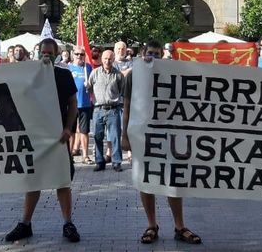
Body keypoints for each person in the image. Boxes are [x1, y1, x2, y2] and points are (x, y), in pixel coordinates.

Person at [121, 40, 202, 245]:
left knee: (173, 180)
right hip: (142, 136)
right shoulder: (133, 76)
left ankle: (179, 226)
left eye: (157, 53)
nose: (153, 57)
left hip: (169, 136)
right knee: (145, 180)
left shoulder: (171, 74)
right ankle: (151, 225)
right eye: (150, 53)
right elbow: (127, 107)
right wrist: (124, 135)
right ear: (143, 54)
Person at [5, 38, 80, 243]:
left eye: (50, 53)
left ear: (56, 55)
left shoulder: (63, 75)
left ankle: (68, 223)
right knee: (33, 180)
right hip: (34, 138)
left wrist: (68, 129)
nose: (46, 56)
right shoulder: (28, 74)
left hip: (59, 138)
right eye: (43, 52)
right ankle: (25, 224)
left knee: (62, 180)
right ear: (38, 53)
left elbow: (73, 104)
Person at [86, 49, 125, 171]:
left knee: (115, 137)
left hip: (113, 110)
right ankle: (99, 161)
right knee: (97, 136)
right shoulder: (94, 73)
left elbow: (122, 91)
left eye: (110, 59)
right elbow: (89, 88)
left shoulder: (118, 75)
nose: (107, 61)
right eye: (105, 58)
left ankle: (116, 162)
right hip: (98, 109)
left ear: (113, 59)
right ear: (101, 59)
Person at [68, 46, 93, 163]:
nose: (79, 56)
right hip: (71, 105)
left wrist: (90, 86)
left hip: (85, 104)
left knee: (84, 131)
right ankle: (69, 156)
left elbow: (93, 84)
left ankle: (85, 156)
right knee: (71, 131)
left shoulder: (88, 68)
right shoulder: (68, 68)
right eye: (77, 54)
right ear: (73, 55)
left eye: (82, 54)